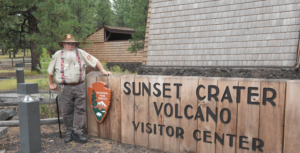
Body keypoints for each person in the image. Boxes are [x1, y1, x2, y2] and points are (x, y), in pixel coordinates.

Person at [47, 34, 111, 143]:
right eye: (68, 43)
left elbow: (95, 61)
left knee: (80, 109)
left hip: (79, 86)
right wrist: (51, 83)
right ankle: (69, 132)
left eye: (72, 44)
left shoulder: (80, 53)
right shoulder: (58, 55)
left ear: (75, 45)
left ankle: (78, 133)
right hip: (64, 88)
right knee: (66, 111)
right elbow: (50, 70)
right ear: (64, 44)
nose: (70, 46)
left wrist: (103, 71)